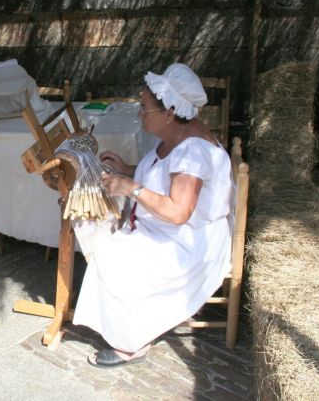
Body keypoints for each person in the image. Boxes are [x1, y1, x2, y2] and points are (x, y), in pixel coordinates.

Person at [73, 63, 234, 368]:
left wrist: (131, 187)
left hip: (188, 246)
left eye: (145, 109)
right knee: (108, 238)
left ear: (170, 112)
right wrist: (127, 169)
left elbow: (177, 212)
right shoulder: (179, 135)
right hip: (176, 233)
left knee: (109, 255)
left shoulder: (193, 153)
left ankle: (131, 344)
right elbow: (164, 176)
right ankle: (128, 320)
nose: (139, 114)